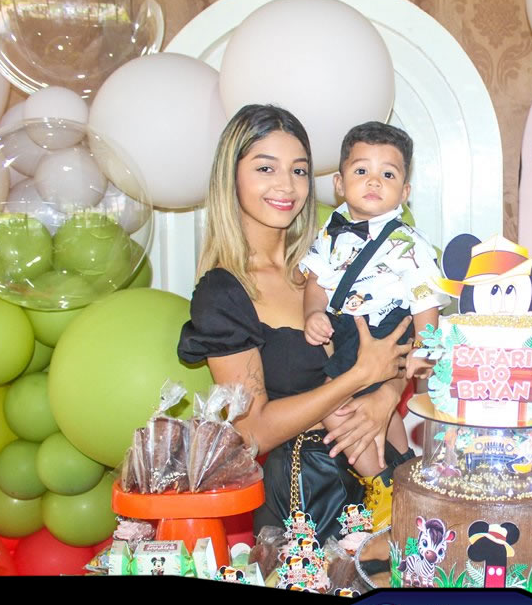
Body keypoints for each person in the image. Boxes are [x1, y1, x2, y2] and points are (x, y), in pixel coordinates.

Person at [178, 105, 413, 543]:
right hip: (309, 505)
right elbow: (252, 431)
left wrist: (386, 395)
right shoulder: (223, 292)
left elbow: (394, 345)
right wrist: (358, 379)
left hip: (388, 472)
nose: (286, 185)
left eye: (299, 170)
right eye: (266, 168)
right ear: (231, 177)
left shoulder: (330, 264)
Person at [301, 122, 447, 461]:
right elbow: (316, 280)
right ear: (339, 183)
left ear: (405, 192)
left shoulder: (409, 242)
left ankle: (378, 478)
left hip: (383, 327)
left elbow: (426, 300)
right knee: (375, 405)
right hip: (344, 326)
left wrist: (424, 347)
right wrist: (313, 313)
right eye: (361, 170)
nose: (374, 181)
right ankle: (402, 465)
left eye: (388, 174)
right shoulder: (330, 230)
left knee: (333, 405)